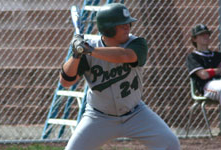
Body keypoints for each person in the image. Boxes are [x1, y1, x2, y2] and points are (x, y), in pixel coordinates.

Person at [60, 3, 180, 150]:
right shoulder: (88, 50)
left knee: (170, 144)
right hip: (99, 117)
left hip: (135, 114)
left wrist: (89, 50)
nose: (127, 27)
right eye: (121, 25)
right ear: (108, 28)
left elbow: (125, 55)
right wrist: (76, 55)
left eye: (128, 23)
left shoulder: (137, 43)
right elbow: (66, 81)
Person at [186, 24, 221, 104]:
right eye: (201, 34)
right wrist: (218, 70)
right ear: (194, 39)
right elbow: (204, 75)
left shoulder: (217, 55)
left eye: (207, 34)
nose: (205, 36)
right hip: (207, 87)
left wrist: (211, 71)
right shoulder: (193, 57)